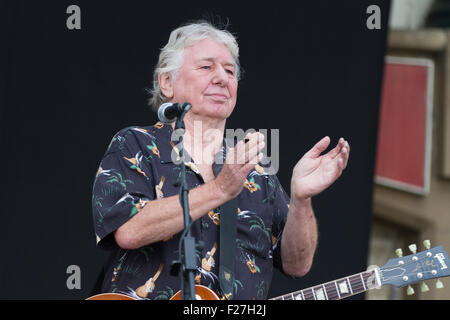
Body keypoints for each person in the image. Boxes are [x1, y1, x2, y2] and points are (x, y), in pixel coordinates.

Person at [91, 20, 350, 300]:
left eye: (230, 70)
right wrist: (219, 190)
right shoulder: (135, 143)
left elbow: (297, 264)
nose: (222, 78)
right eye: (206, 67)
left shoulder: (257, 171)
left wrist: (301, 200)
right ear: (167, 82)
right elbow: (128, 230)